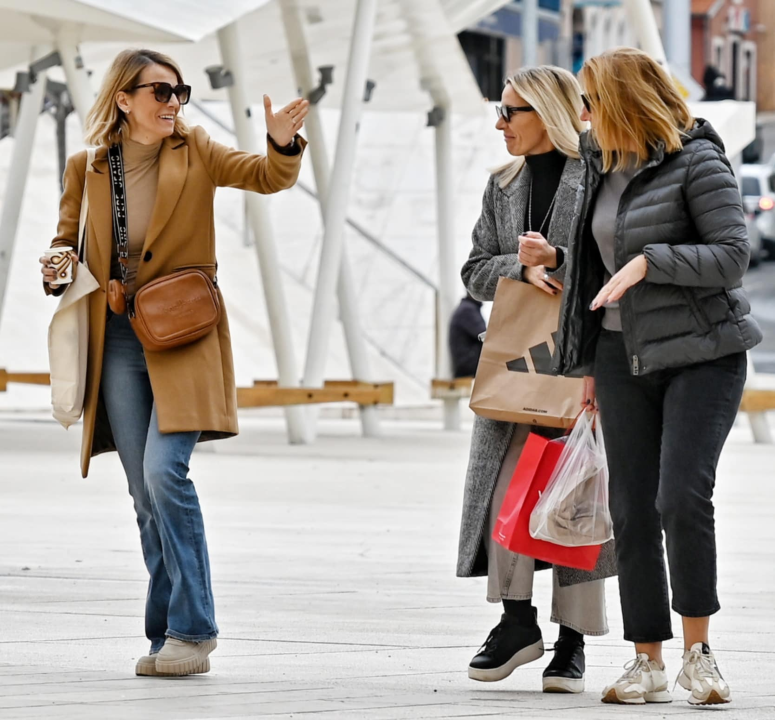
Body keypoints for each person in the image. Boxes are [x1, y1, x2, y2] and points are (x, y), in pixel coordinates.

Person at [40, 49, 308, 677]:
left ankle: (194, 629)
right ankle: (165, 633)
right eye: (157, 91)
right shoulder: (88, 165)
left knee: (166, 473)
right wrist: (57, 264)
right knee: (141, 492)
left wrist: (280, 145)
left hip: (185, 331)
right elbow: (64, 237)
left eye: (178, 92)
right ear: (123, 99)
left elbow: (266, 176)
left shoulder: (197, 149)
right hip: (118, 337)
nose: (171, 102)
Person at [553, 47, 762, 706]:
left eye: (590, 102)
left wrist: (650, 261)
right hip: (620, 359)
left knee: (679, 498)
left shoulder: (696, 160)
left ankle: (698, 655)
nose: (582, 116)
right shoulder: (592, 167)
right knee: (631, 511)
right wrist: (553, 260)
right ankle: (645, 660)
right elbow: (592, 262)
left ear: (621, 102)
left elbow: (734, 254)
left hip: (703, 355)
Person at [458, 65, 617, 694]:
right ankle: (517, 619)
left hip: (587, 363)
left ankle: (572, 643)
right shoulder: (504, 184)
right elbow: (472, 272)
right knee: (508, 492)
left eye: (511, 112)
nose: (500, 124)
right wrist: (518, 272)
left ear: (548, 113)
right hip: (521, 365)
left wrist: (561, 260)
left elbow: (621, 253)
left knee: (577, 498)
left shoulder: (602, 173)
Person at [449, 293, 486, 378]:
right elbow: (485, 335)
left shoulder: (467, 308)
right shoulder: (468, 310)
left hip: (464, 366)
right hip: (468, 367)